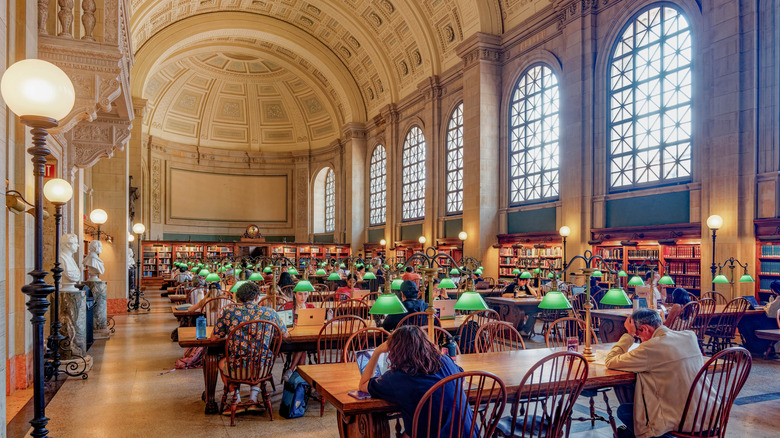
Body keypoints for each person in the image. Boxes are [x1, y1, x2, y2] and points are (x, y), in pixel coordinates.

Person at [605, 309, 707, 438]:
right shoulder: (690, 336)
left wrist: (629, 335)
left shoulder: (651, 347)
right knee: (627, 432)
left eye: (638, 335)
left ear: (645, 329)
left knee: (624, 411)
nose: (640, 340)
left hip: (682, 419)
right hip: (707, 415)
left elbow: (610, 361)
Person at [358, 326, 474, 438]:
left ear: (395, 351)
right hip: (468, 434)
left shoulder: (398, 377)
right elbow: (462, 379)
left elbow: (363, 384)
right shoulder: (445, 360)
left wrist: (377, 351)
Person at [211, 282, 289, 406]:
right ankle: (253, 399)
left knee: (220, 362)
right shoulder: (270, 313)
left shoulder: (228, 313)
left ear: (238, 297)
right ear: (257, 297)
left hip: (237, 366)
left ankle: (236, 399)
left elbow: (213, 338)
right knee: (257, 358)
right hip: (262, 366)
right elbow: (285, 335)